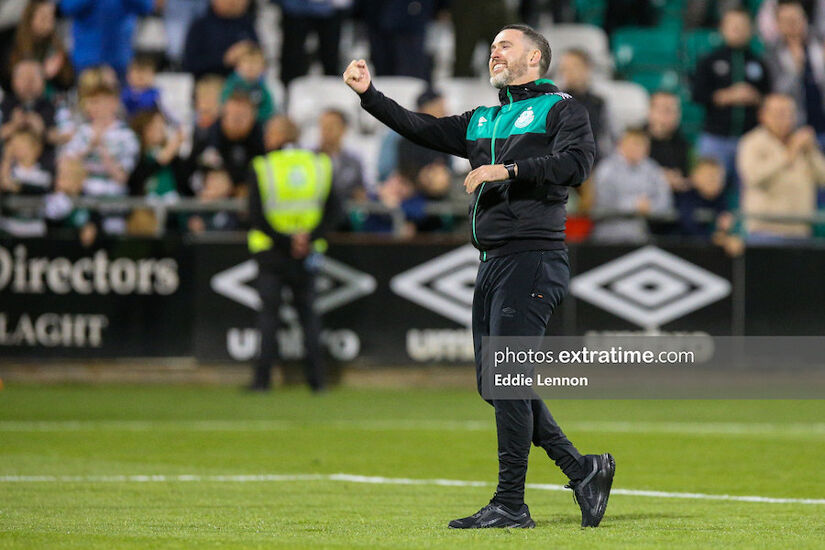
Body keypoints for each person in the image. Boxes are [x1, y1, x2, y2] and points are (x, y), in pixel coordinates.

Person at [344, 24, 614, 529]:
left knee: (507, 381)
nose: (494, 52)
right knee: (497, 385)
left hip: (533, 256)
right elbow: (421, 127)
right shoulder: (483, 118)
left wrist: (508, 171)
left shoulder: (561, 107)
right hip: (493, 262)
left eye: (505, 45)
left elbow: (578, 164)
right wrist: (369, 96)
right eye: (490, 46)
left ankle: (511, 502)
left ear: (535, 58)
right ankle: (582, 469)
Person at [247, 118, 341, 392]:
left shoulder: (263, 166)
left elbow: (256, 215)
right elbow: (335, 210)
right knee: (309, 315)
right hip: (308, 253)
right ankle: (317, 382)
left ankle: (261, 382)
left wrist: (285, 241)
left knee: (268, 316)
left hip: (271, 252)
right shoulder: (320, 165)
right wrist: (307, 239)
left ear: (277, 134)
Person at [692, 8, 772, 186]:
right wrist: (726, 96)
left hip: (749, 139)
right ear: (723, 28)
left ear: (751, 29)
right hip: (715, 137)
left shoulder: (758, 61)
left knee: (747, 191)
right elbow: (697, 94)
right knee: (709, 189)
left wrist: (755, 97)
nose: (738, 30)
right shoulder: (709, 60)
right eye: (733, 26)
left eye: (742, 26)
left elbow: (769, 97)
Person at [737, 93, 825, 241]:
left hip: (800, 231)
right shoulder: (752, 142)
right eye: (779, 113)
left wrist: (811, 152)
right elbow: (753, 177)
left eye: (789, 113)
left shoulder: (802, 142)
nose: (786, 119)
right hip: (765, 230)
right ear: (763, 115)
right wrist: (787, 154)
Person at [591, 128, 673, 243]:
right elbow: (602, 201)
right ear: (621, 144)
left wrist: (651, 207)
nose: (638, 149)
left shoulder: (652, 169)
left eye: (642, 145)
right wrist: (633, 205)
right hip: (608, 236)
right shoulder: (606, 169)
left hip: (641, 236)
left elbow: (665, 200)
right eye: (634, 144)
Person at [765, 0, 825, 149]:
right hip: (798, 128)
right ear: (778, 24)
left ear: (804, 19)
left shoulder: (818, 44)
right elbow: (778, 93)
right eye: (787, 20)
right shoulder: (772, 55)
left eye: (796, 18)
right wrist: (796, 69)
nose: (792, 24)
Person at [59, 0, 159, 78]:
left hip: (120, 59)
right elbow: (67, 7)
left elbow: (146, 6)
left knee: (120, 103)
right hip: (87, 59)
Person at [556, 48, 614, 160]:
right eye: (564, 69)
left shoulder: (599, 103)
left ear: (587, 68)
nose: (569, 73)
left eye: (574, 67)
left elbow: (607, 141)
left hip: (593, 166)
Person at [276, 0, 349, 86]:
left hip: (329, 10)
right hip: (295, 9)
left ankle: (334, 92)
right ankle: (288, 90)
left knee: (331, 57)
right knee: (292, 56)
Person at [182, 0, 258, 79]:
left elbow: (259, 54)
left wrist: (248, 54)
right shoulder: (200, 26)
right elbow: (190, 64)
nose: (233, 2)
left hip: (243, 83)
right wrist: (224, 59)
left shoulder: (246, 24)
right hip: (209, 82)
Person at [8, 0, 74, 91]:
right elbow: (11, 84)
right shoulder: (13, 43)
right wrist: (42, 73)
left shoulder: (56, 45)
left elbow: (68, 81)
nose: (49, 23)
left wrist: (60, 71)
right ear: (30, 18)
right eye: (44, 17)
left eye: (51, 17)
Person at [647, 91, 691, 193]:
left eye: (675, 110)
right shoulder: (635, 138)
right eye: (665, 110)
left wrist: (679, 181)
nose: (671, 115)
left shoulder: (683, 143)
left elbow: (689, 179)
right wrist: (660, 177)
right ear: (650, 111)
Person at [317, 108, 366, 201]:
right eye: (323, 126)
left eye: (331, 127)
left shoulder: (354, 163)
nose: (326, 131)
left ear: (343, 129)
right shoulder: (309, 159)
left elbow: (361, 194)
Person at [221, 44, 276, 123]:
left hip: (257, 125)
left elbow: (268, 109)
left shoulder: (265, 86)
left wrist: (252, 116)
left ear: (263, 67)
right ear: (238, 65)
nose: (250, 66)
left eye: (255, 63)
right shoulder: (232, 83)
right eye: (247, 62)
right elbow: (223, 102)